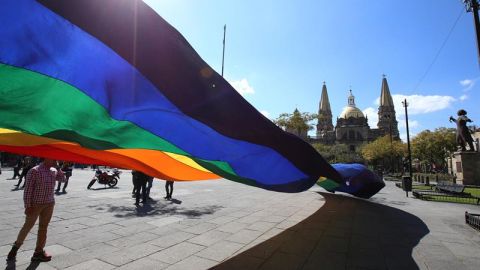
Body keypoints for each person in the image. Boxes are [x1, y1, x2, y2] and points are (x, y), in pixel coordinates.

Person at [7, 159, 64, 262]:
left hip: (49, 203)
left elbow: (63, 179)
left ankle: (38, 252)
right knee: (27, 226)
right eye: (53, 158)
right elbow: (28, 190)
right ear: (46, 157)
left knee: (43, 228)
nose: (55, 160)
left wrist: (58, 168)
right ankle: (16, 247)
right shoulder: (35, 170)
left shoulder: (53, 170)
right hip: (35, 205)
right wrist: (28, 206)